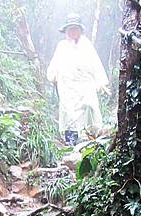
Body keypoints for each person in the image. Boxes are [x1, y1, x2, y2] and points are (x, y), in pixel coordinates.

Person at [47, 13, 110, 145]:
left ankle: (90, 140)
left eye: (75, 29)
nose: (73, 32)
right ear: (66, 30)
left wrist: (100, 82)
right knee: (70, 115)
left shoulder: (86, 45)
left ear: (80, 30)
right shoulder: (62, 46)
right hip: (67, 88)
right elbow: (54, 67)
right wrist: (53, 76)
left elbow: (95, 64)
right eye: (70, 29)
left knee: (89, 108)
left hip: (85, 86)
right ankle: (71, 143)